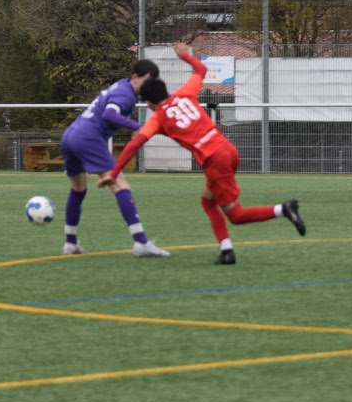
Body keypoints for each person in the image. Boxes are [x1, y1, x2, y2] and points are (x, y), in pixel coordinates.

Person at [97, 42, 305, 265]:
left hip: (215, 161)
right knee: (207, 201)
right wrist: (185, 56)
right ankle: (226, 251)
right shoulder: (184, 94)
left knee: (236, 215)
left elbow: (133, 146)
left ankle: (283, 209)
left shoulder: (157, 119)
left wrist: (113, 173)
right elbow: (201, 70)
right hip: (228, 150)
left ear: (148, 103)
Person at [59, 59, 169, 258]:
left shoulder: (121, 85)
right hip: (88, 137)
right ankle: (141, 242)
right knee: (120, 184)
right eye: (146, 81)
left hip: (70, 135)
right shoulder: (126, 94)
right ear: (135, 77)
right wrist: (136, 126)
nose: (148, 86)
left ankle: (70, 243)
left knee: (78, 189)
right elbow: (109, 114)